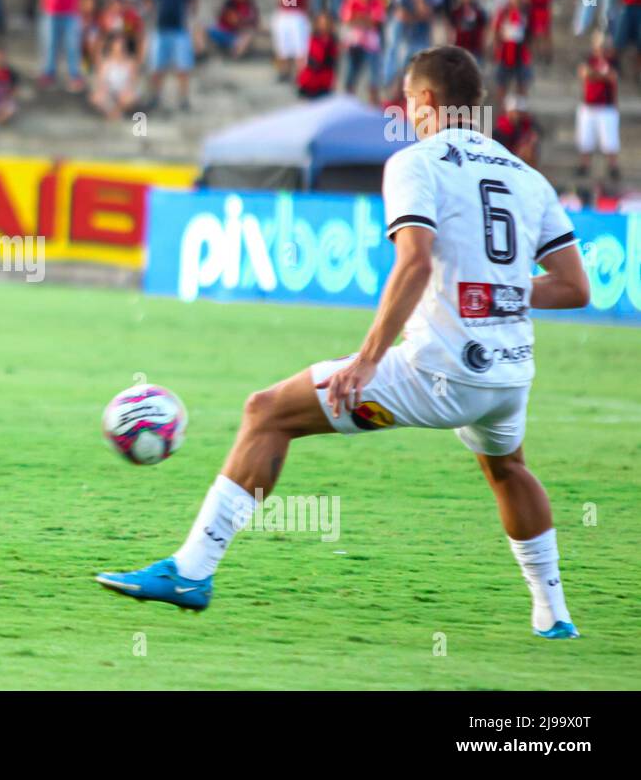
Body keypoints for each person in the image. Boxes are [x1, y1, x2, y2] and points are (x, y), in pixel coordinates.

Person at [97, 45, 590, 643]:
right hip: (508, 375)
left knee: (266, 412)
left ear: (427, 102)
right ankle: (554, 614)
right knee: (509, 468)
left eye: (409, 102)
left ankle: (191, 572)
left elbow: (413, 263)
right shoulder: (526, 177)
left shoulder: (417, 162)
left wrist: (368, 358)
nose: (407, 113)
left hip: (440, 371)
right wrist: (500, 292)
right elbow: (573, 287)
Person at [146, 0, 195, 110]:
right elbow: (151, 4)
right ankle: (155, 97)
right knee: (157, 68)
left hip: (179, 30)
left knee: (182, 68)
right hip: (161, 30)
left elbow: (192, 3)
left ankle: (183, 99)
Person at [576, 32, 621, 181]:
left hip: (606, 106)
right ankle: (584, 165)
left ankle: (613, 167)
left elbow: (612, 77)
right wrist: (601, 76)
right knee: (585, 139)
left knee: (610, 141)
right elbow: (584, 73)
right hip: (589, 105)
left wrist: (595, 75)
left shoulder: (612, 60)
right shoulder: (589, 58)